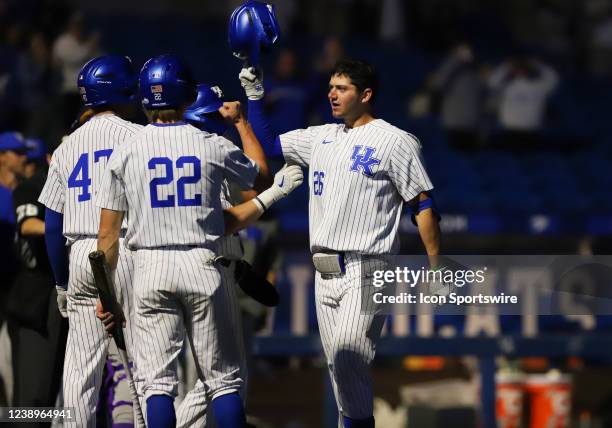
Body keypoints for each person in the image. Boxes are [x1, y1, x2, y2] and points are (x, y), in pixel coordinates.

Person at [94, 54, 303, 428]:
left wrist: (106, 295)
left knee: (156, 383)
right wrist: (240, 122)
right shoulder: (209, 144)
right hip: (202, 263)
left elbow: (108, 236)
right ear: (187, 93)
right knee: (223, 381)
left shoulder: (125, 151)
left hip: (150, 268)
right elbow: (260, 179)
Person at [239, 59, 441, 427]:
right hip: (324, 271)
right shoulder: (321, 137)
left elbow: (422, 204)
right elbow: (267, 143)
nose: (332, 93)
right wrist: (254, 96)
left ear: (365, 95)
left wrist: (436, 264)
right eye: (331, 86)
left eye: (342, 87)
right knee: (339, 368)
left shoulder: (394, 141)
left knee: (349, 358)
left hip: (369, 266)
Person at [38, 54, 142, 427]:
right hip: (126, 249)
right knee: (144, 366)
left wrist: (61, 282)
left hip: (79, 252)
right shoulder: (138, 136)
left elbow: (53, 223)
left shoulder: (67, 146)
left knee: (80, 374)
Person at [7, 139, 68, 419]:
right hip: (37, 302)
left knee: (64, 399)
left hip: (68, 302)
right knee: (32, 400)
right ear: (51, 158)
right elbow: (28, 224)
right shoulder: (34, 185)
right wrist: (64, 229)